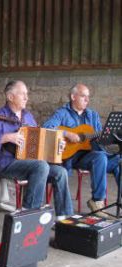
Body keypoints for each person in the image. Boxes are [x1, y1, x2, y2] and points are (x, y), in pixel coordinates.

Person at [0, 80, 73, 219]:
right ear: (10, 97)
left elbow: (39, 141)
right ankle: (29, 215)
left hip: (30, 162)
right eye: (22, 94)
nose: (26, 98)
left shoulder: (28, 116)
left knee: (61, 172)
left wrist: (56, 145)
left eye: (26, 94)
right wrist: (7, 137)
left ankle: (64, 218)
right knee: (40, 166)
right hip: (7, 164)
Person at [43, 83, 120, 216]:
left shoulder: (92, 115)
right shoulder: (62, 113)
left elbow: (99, 138)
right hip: (72, 157)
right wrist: (67, 134)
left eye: (88, 97)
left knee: (119, 161)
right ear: (73, 97)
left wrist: (107, 136)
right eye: (83, 96)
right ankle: (97, 201)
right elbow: (47, 127)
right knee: (100, 157)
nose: (87, 100)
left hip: (92, 154)